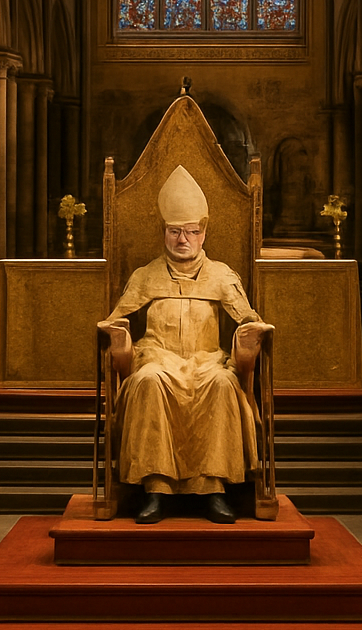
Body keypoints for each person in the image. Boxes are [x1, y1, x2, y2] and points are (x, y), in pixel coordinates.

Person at [96, 165, 275, 525]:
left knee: (223, 385)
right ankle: (155, 489)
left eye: (191, 231)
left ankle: (214, 490)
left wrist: (249, 338)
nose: (183, 240)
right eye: (175, 231)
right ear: (163, 232)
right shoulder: (145, 276)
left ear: (203, 233)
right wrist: (119, 339)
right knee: (147, 382)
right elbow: (115, 320)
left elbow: (248, 319)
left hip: (207, 361)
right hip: (157, 359)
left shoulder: (222, 275)